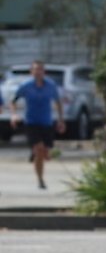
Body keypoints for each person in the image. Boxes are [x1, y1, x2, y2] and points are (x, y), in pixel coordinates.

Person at [10, 60, 65, 189]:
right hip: (31, 122)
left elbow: (58, 102)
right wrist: (14, 115)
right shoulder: (26, 86)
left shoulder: (50, 85)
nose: (38, 72)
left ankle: (35, 154)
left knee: (45, 155)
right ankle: (40, 180)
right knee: (39, 148)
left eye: (40, 69)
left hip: (46, 122)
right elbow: (13, 101)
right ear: (31, 71)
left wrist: (60, 120)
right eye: (35, 69)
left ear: (44, 71)